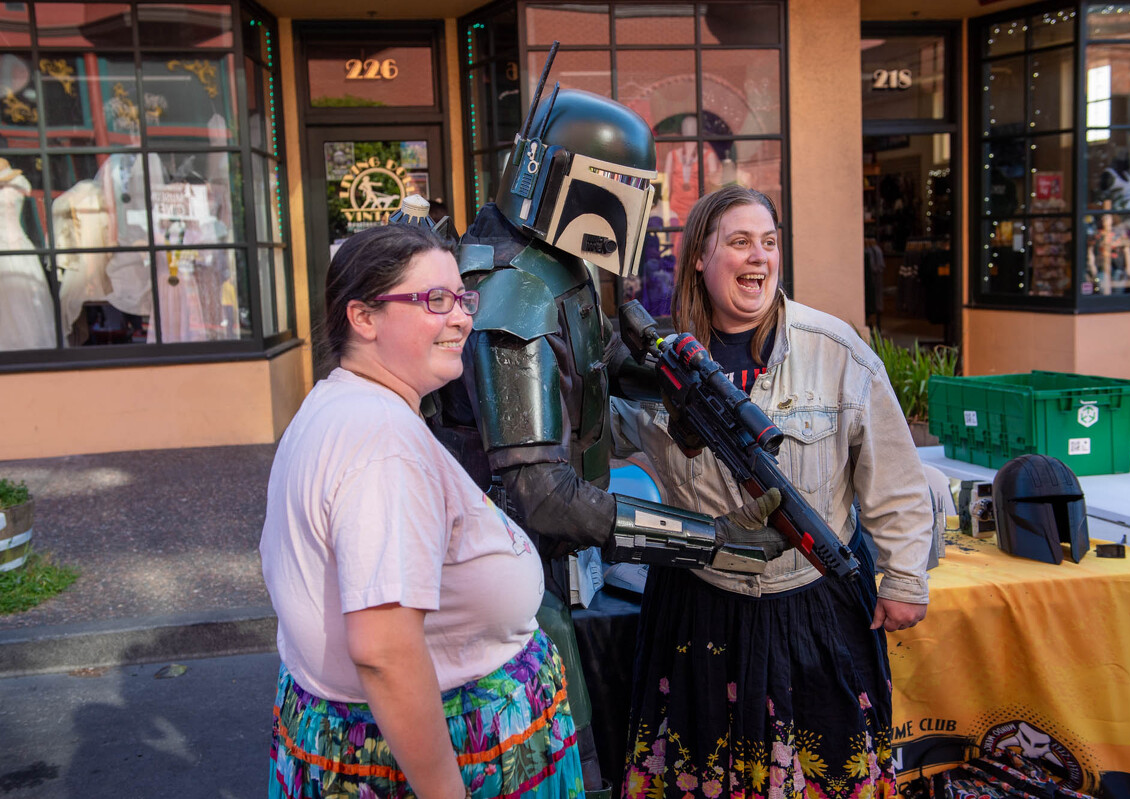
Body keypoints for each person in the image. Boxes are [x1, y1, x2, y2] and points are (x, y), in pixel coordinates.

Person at [433, 73, 786, 796]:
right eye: (626, 188)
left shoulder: (551, 264)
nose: (638, 209)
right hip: (508, 570)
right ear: (581, 186)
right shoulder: (517, 297)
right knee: (566, 758)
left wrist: (673, 376)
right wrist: (711, 538)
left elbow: (596, 364)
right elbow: (541, 495)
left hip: (538, 560)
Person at [612, 185, 933, 798]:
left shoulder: (834, 349)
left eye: (768, 241)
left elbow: (895, 478)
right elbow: (596, 434)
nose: (759, 256)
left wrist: (904, 578)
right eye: (739, 242)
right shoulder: (658, 361)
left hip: (815, 603)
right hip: (697, 605)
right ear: (700, 257)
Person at [260, 223, 584, 799]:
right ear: (364, 318)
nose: (461, 319)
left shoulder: (341, 401)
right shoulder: (382, 443)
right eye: (435, 300)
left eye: (462, 298)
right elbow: (383, 651)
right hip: (450, 761)